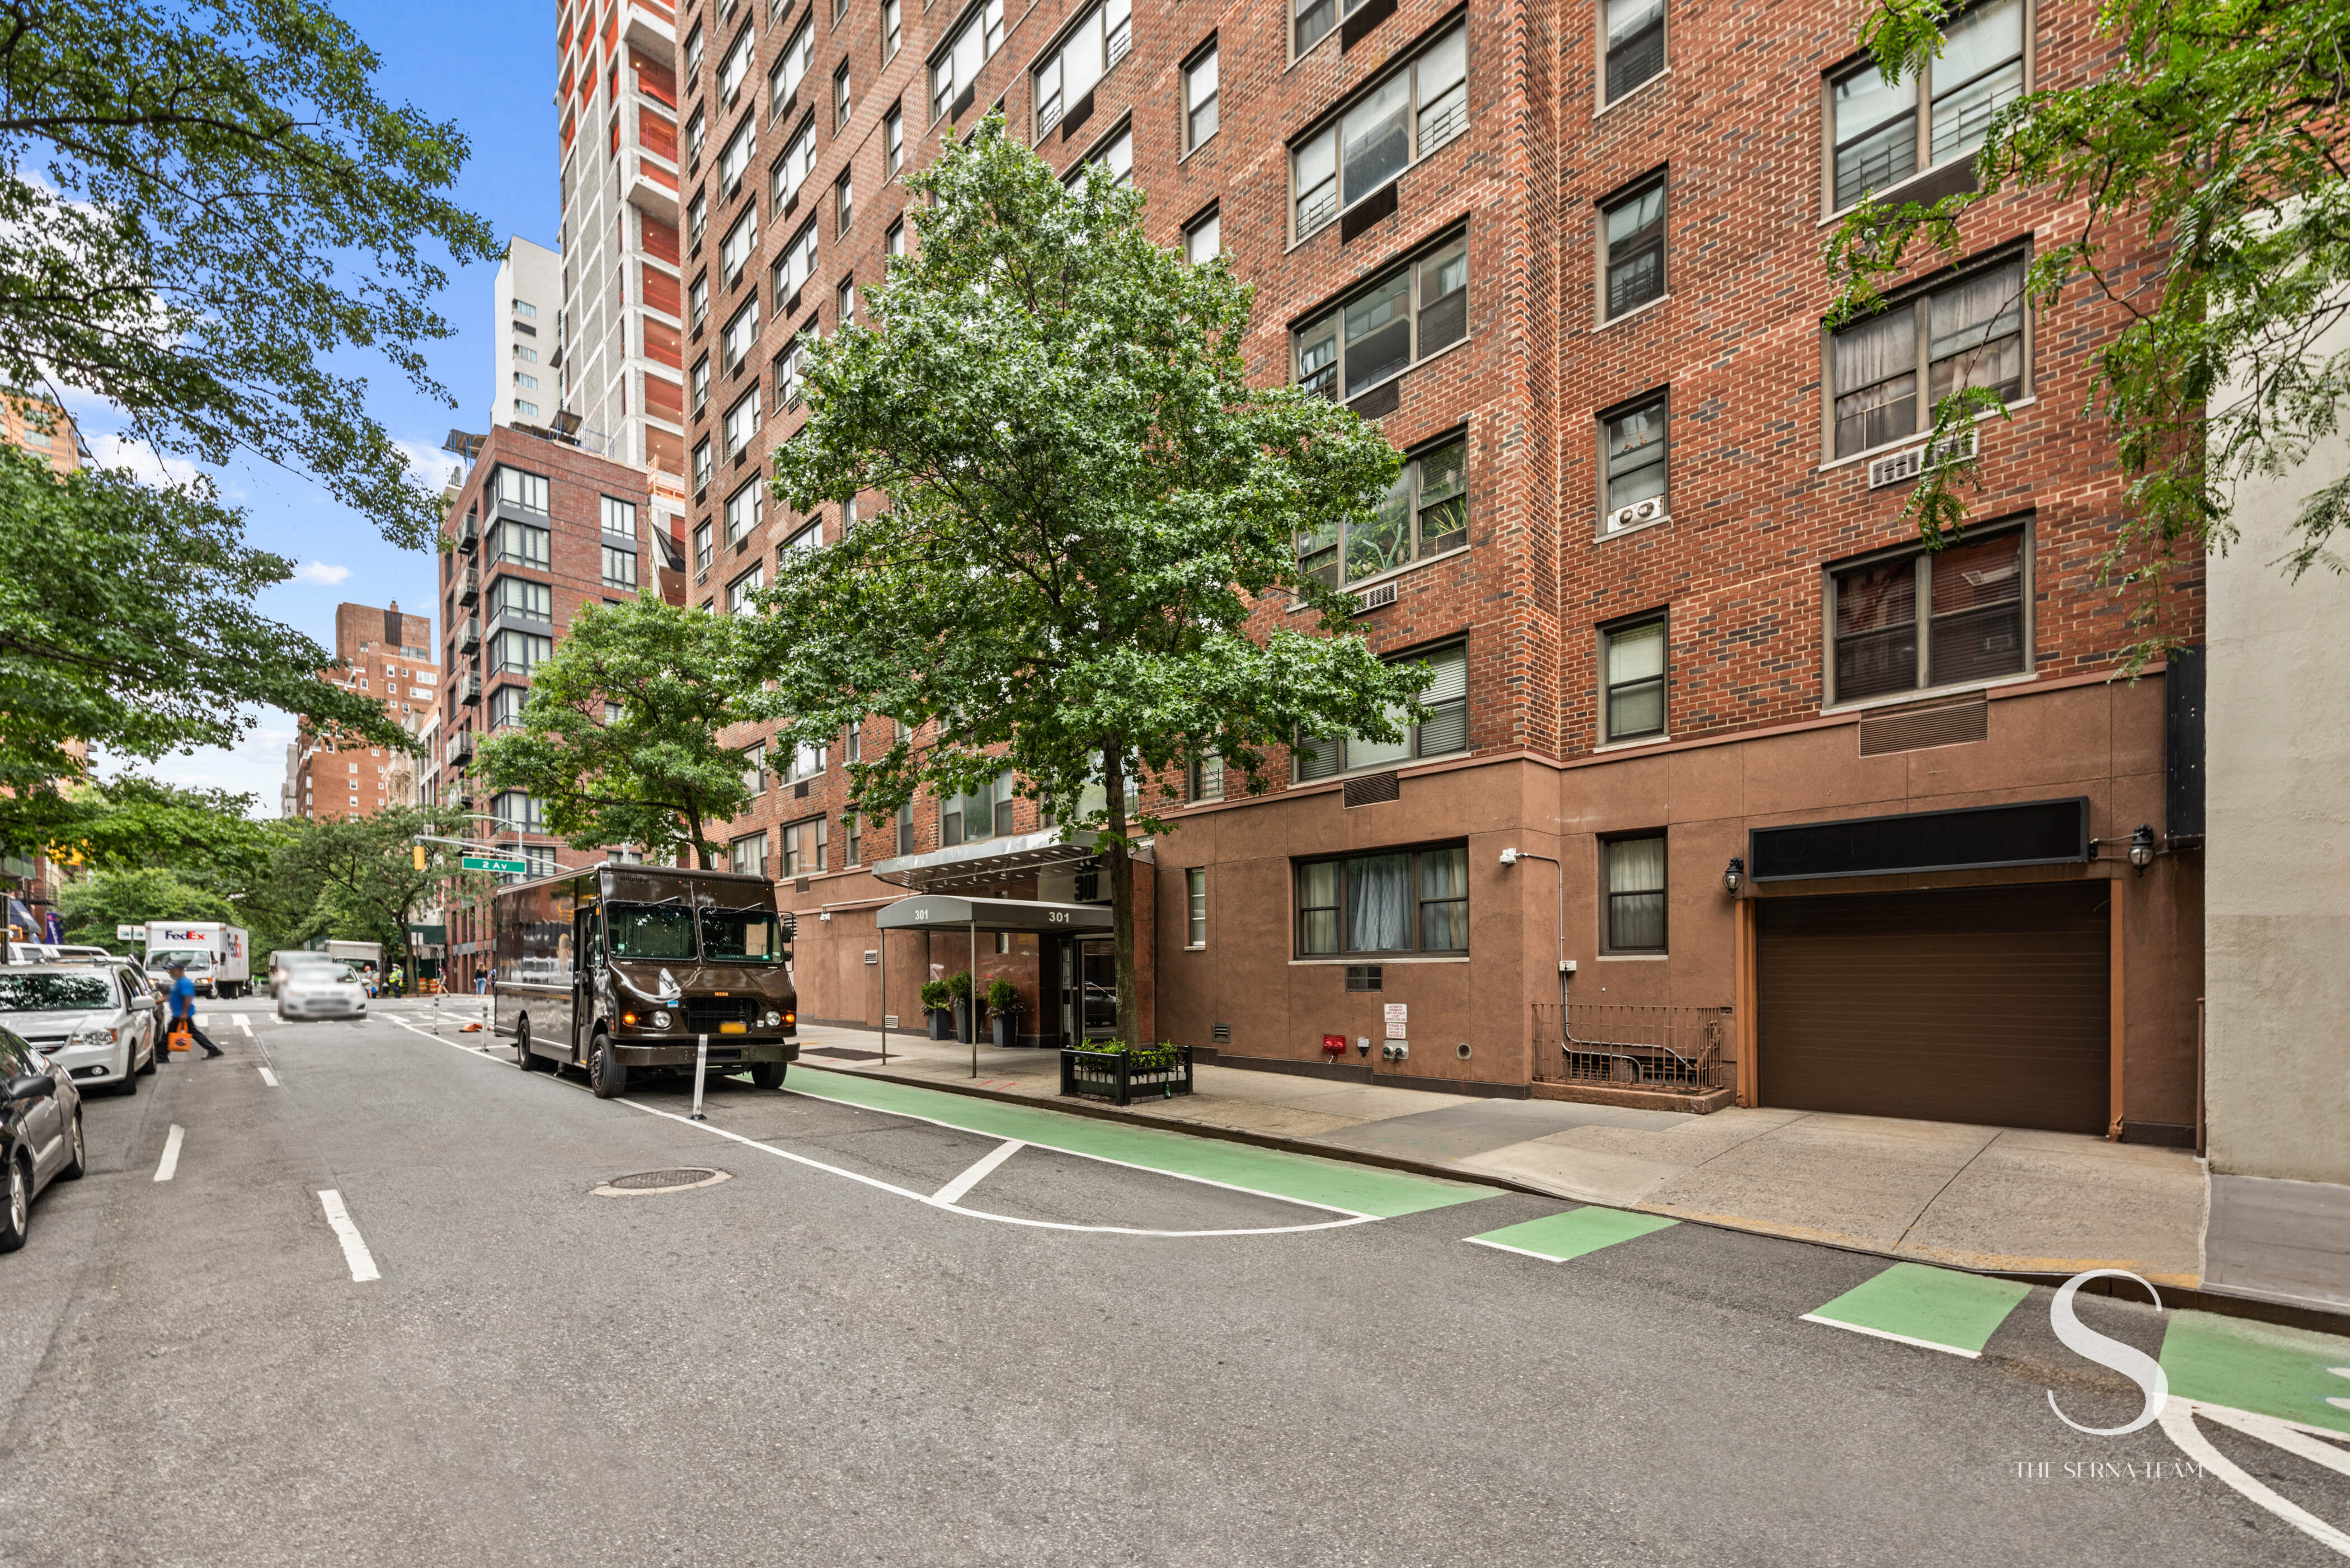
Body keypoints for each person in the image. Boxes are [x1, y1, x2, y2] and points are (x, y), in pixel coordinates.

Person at [165, 963, 224, 1058]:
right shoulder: (180, 982)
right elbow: (173, 997)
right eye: (169, 971)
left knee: (169, 1035)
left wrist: (184, 1013)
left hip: (181, 1014)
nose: (170, 973)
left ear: (179, 970)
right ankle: (214, 1050)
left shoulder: (185, 982)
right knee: (193, 1033)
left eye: (172, 970)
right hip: (180, 1014)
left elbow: (188, 998)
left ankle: (161, 1055)